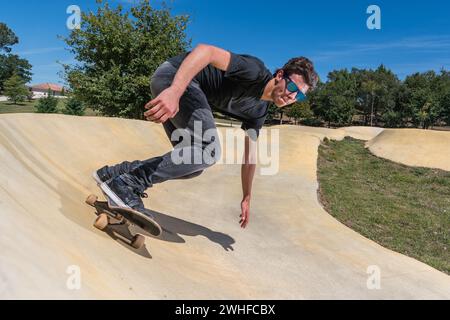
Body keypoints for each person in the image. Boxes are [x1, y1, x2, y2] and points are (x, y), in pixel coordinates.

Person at [93, 44, 318, 228]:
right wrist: (175, 91)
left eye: (299, 95)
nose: (292, 96)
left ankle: (116, 175)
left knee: (191, 164)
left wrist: (247, 196)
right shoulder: (255, 72)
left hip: (182, 91)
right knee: (208, 151)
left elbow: (250, 157)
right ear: (280, 76)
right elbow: (205, 51)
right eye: (292, 87)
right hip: (176, 78)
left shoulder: (259, 112)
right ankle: (127, 184)